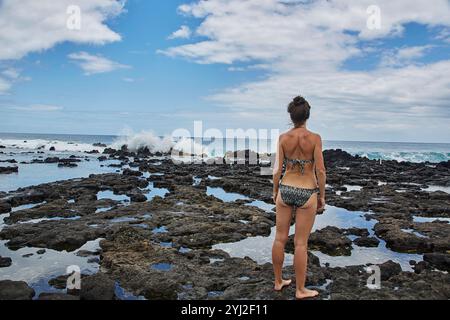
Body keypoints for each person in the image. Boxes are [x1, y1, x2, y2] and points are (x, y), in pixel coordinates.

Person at [271, 96, 326, 299]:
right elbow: (320, 170)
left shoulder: (283, 138)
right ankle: (300, 290)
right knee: (301, 243)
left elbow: (277, 170)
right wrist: (322, 195)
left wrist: (275, 191)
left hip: (285, 189)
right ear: (307, 115)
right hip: (307, 192)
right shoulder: (315, 138)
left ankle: (278, 282)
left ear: (291, 116)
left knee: (279, 238)